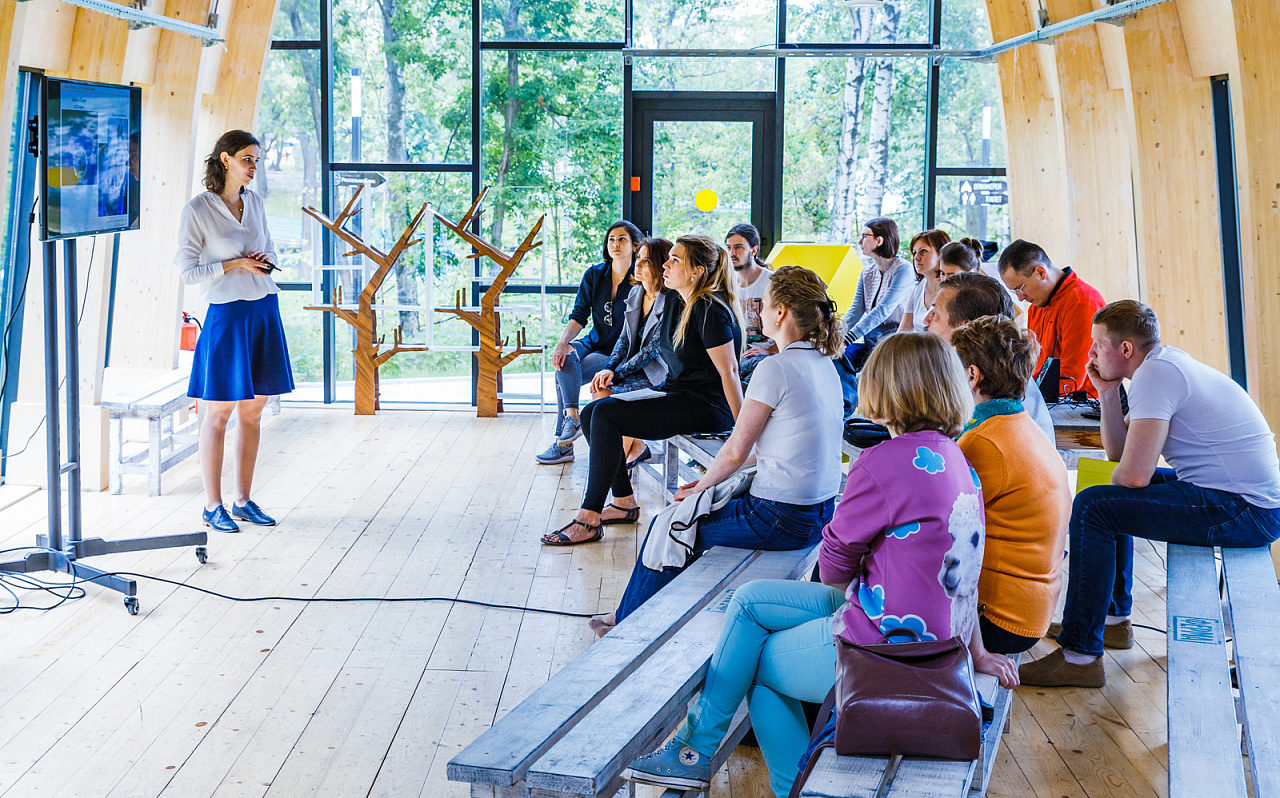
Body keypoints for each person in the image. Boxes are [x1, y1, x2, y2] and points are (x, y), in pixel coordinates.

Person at [624, 332, 1015, 798]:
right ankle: (694, 752)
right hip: (938, 637)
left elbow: (832, 569)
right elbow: (966, 578)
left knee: (760, 667)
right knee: (748, 601)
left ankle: (717, 761)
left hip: (888, 650)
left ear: (887, 388)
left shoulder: (882, 462)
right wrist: (977, 652)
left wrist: (854, 540)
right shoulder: (959, 461)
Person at [1020, 300, 1280, 688]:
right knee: (1103, 495)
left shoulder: (1155, 376)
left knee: (1094, 506)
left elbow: (1133, 476)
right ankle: (1111, 620)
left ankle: (1079, 655)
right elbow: (1118, 455)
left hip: (1245, 511)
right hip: (1240, 501)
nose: (1091, 354)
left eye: (1097, 345)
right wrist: (1107, 392)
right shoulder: (1160, 366)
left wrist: (1116, 481)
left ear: (1125, 349)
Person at [592, 266, 844, 635]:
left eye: (764, 304)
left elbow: (736, 451)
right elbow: (772, 448)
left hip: (780, 518)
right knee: (691, 513)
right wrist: (706, 486)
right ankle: (645, 615)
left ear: (781, 313)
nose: (758, 312)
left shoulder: (776, 367)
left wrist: (701, 487)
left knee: (670, 524)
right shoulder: (824, 364)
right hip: (821, 513)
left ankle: (626, 625)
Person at [542, 235, 744, 546]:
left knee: (605, 414)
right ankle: (623, 501)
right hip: (677, 393)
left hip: (707, 407)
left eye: (675, 260)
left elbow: (729, 372)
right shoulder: (676, 301)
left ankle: (588, 518)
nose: (666, 265)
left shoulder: (709, 309)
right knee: (592, 412)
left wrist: (742, 430)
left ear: (697, 271)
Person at [176, 130, 294, 533]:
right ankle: (213, 506)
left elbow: (271, 249)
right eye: (247, 159)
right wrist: (235, 264)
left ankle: (242, 501)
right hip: (227, 315)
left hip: (263, 309)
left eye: (257, 160)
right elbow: (188, 272)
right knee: (218, 414)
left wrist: (262, 260)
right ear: (225, 160)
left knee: (253, 411)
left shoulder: (255, 202)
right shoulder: (198, 209)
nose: (253, 166)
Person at [950, 316, 1071, 656]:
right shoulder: (1020, 424)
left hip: (999, 619)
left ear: (972, 376)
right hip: (1031, 611)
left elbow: (939, 525)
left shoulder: (984, 441)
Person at [536, 220, 642, 465]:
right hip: (595, 341)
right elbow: (579, 315)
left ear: (635, 245)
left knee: (562, 375)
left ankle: (563, 445)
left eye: (622, 239)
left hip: (620, 351)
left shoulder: (640, 278)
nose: (615, 244)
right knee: (564, 358)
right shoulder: (594, 274)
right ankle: (573, 419)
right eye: (611, 239)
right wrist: (562, 342)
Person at [924, 272, 1055, 443]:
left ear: (965, 328)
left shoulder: (988, 388)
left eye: (935, 312)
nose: (926, 320)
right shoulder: (1002, 372)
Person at [589, 237, 673, 467]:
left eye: (646, 261)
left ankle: (616, 469)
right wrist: (609, 368)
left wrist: (617, 374)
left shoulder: (671, 301)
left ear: (661, 265)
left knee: (611, 401)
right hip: (631, 370)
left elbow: (651, 351)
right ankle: (625, 459)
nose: (638, 265)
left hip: (657, 375)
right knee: (600, 389)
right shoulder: (636, 292)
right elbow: (624, 338)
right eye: (638, 258)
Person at [997, 239, 1105, 399]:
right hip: (1047, 399)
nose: (1020, 298)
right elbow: (1034, 366)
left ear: (1040, 272)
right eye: (1015, 292)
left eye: (1020, 288)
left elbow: (1070, 380)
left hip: (1081, 404)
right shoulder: (1036, 305)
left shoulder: (1081, 302)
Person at [725, 223, 775, 385]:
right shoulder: (726, 284)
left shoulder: (773, 282)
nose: (732, 253)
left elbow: (794, 326)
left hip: (765, 355)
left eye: (738, 247)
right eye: (729, 247)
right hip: (737, 354)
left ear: (753, 250)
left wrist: (771, 350)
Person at [898, 229, 951, 331]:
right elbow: (903, 330)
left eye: (923, 251)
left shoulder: (952, 291)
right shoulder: (916, 289)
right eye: (914, 253)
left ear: (942, 253)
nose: (916, 257)